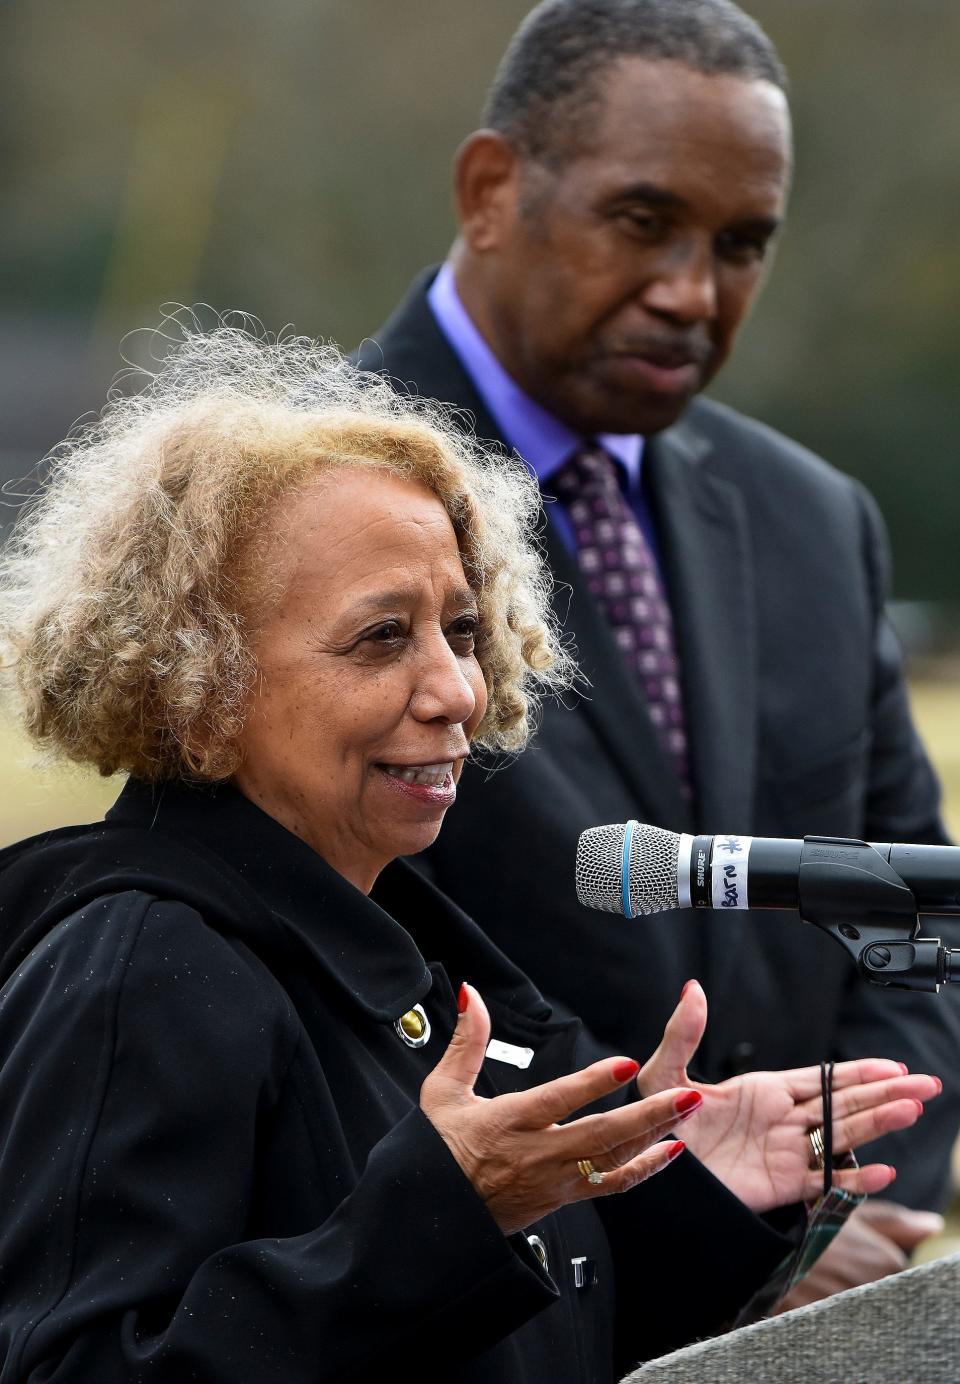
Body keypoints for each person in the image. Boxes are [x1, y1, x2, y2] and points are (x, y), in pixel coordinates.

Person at [0, 323, 940, 1382]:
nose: (459, 689)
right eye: (382, 638)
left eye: (460, 628)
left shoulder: (404, 939)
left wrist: (664, 1184)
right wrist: (447, 1213)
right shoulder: (143, 966)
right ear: (198, 690)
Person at [354, 0, 959, 1301]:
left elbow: (914, 919)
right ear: (489, 190)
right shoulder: (304, 509)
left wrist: (839, 1211)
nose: (693, 291)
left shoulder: (814, 520)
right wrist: (709, 1233)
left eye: (742, 245)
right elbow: (320, 971)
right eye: (644, 223)